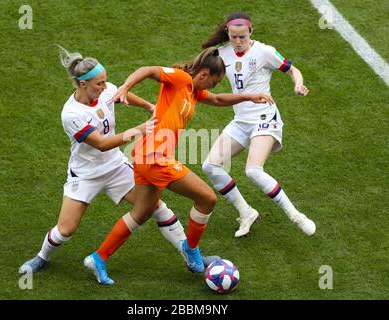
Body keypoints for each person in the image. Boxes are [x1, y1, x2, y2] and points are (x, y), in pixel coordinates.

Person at [83, 47, 275, 285]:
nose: (212, 88)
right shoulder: (181, 79)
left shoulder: (194, 91)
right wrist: (125, 87)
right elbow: (148, 70)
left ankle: (98, 258)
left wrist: (249, 96)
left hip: (145, 157)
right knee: (207, 198)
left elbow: (216, 100)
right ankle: (191, 250)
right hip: (155, 158)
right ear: (203, 74)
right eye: (213, 82)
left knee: (141, 213)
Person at [19, 46, 218, 275]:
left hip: (115, 166)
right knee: (66, 229)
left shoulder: (104, 90)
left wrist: (147, 105)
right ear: (83, 84)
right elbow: (102, 144)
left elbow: (118, 93)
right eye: (99, 84)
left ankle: (192, 256)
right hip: (86, 174)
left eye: (105, 81)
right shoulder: (71, 114)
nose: (105, 88)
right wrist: (138, 130)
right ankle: (41, 257)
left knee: (154, 206)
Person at [201, 12, 316, 238]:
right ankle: (246, 212)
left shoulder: (264, 51)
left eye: (242, 36)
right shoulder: (222, 54)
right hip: (241, 121)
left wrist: (298, 85)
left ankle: (296, 216)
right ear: (228, 34)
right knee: (210, 166)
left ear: (251, 32)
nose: (238, 41)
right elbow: (200, 72)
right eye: (233, 37)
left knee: (253, 170)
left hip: (265, 118)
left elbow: (293, 69)